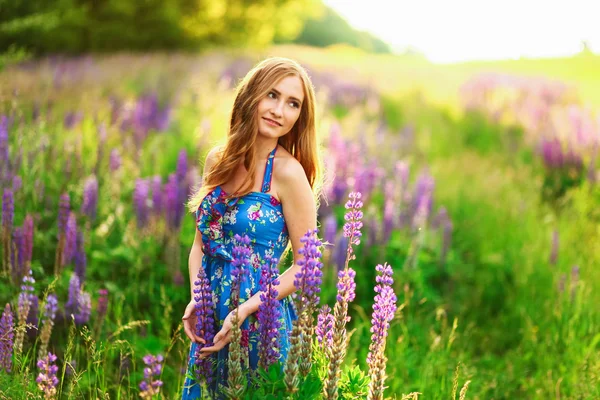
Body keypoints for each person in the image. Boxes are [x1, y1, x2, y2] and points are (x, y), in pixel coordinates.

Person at [181, 56, 323, 399]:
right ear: (251, 96)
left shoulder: (289, 175)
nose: (280, 110)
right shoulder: (219, 160)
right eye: (272, 95)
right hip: (213, 312)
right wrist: (197, 298)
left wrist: (245, 309)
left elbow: (307, 268)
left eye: (293, 104)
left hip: (261, 320)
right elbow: (201, 244)